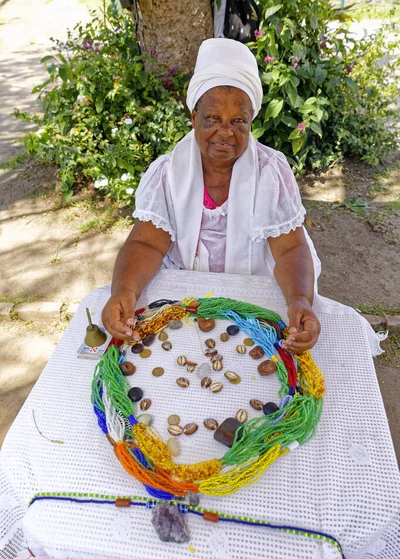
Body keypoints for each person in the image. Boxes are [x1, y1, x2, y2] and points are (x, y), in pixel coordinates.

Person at [102, 38, 322, 353]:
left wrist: (300, 300)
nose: (225, 132)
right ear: (194, 118)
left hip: (255, 293)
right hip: (185, 296)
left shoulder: (271, 172)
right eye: (213, 119)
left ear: (251, 122)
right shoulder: (169, 173)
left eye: (238, 121)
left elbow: (289, 250)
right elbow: (147, 242)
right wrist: (124, 290)